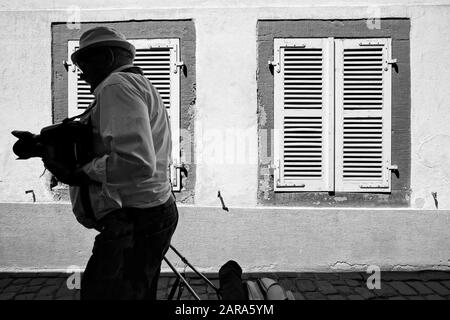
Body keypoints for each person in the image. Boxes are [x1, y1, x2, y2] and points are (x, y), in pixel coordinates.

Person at [43, 26, 178, 300]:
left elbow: (136, 163)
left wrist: (82, 173)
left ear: (104, 57)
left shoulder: (115, 86)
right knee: (138, 291)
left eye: (83, 63)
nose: (80, 74)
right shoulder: (136, 83)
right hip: (153, 211)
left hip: (135, 221)